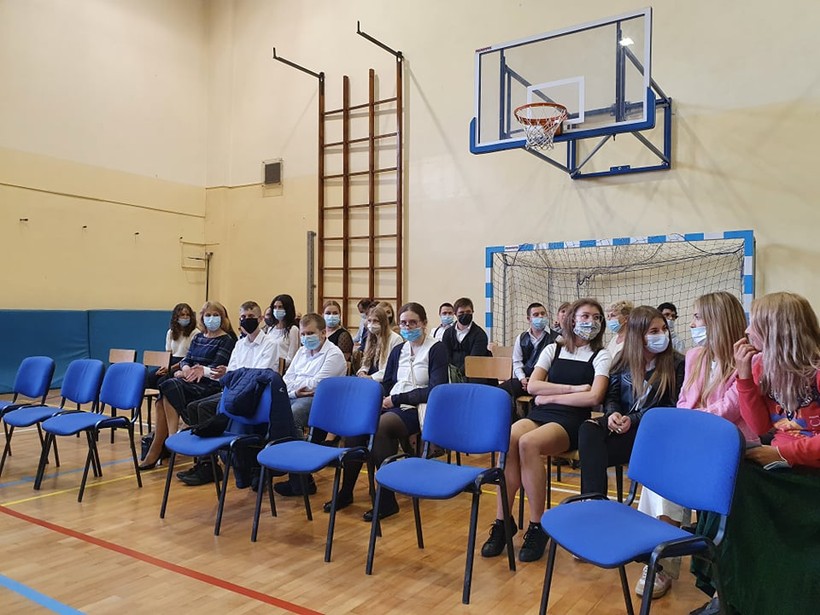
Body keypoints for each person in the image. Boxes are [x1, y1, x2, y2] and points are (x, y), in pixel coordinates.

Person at [635, 291, 757, 599]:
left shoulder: (747, 359)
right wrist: (691, 423)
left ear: (717, 321)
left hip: (730, 445)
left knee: (676, 471)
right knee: (659, 476)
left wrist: (693, 420)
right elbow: (683, 401)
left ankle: (676, 563)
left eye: (697, 317)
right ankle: (660, 563)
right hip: (694, 441)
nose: (691, 324)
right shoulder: (694, 356)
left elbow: (731, 409)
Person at [482, 298, 611, 563]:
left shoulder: (601, 355)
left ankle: (538, 525)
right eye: (586, 316)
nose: (592, 322)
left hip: (572, 420)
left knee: (529, 443)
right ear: (572, 320)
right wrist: (573, 389)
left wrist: (550, 396)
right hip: (543, 412)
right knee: (508, 438)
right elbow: (533, 386)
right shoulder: (554, 348)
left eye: (597, 318)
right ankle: (503, 521)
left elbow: (594, 396)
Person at [322, 302, 449, 520]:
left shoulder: (436, 349)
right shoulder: (399, 350)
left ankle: (386, 499)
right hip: (394, 402)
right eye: (403, 323)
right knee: (357, 425)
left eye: (413, 323)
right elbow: (388, 382)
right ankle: (346, 491)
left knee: (381, 428)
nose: (407, 327)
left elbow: (435, 390)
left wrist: (395, 400)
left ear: (424, 323)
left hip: (419, 408)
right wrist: (378, 400)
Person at [577, 306, 685, 498]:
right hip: (622, 424)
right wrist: (613, 414)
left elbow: (672, 407)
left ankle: (593, 501)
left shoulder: (677, 363)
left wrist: (633, 419)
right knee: (588, 429)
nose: (662, 335)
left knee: (593, 457)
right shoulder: (622, 359)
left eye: (664, 329)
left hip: (651, 430)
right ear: (637, 336)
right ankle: (593, 502)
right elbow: (612, 396)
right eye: (654, 331)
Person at [176, 301, 277, 486]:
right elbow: (232, 371)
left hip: (256, 395)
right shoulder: (240, 344)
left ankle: (220, 466)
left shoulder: (270, 344)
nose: (246, 320)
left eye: (251, 317)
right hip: (235, 390)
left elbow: (259, 374)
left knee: (207, 408)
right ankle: (206, 462)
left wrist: (232, 373)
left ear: (260, 319)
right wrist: (227, 373)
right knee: (194, 406)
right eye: (243, 317)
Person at [139, 301, 236, 470]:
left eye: (215, 315)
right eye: (208, 315)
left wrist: (192, 372)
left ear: (223, 318)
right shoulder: (199, 337)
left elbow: (216, 367)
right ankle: (167, 441)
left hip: (209, 385)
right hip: (190, 379)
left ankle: (164, 443)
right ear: (202, 318)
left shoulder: (226, 340)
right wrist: (184, 370)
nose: (211, 318)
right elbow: (187, 359)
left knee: (167, 387)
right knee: (164, 393)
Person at [735, 291, 820, 469]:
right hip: (779, 455)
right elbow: (759, 427)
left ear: (776, 331)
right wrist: (744, 378)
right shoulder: (762, 367)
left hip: (809, 463)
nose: (747, 331)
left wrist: (783, 454)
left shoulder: (816, 371)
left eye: (754, 324)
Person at [274, 313, 348, 496]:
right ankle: (282, 471)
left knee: (292, 417)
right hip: (297, 396)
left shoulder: (334, 354)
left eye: (310, 333)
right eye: (303, 334)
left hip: (325, 402)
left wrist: (296, 386)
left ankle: (300, 477)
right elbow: (286, 380)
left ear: (323, 333)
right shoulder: (301, 352)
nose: (306, 338)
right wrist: (295, 391)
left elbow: (318, 384)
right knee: (272, 412)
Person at [499, 302, 559, 405]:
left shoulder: (556, 338)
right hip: (525, 381)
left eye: (543, 313)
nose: (540, 316)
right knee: (501, 392)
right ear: (528, 319)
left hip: (546, 383)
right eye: (536, 315)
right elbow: (517, 362)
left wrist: (537, 382)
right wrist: (522, 378)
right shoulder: (521, 338)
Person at [442, 297, 491, 382]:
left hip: (473, 375)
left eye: (468, 312)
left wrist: (458, 375)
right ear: (455, 314)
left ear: (472, 312)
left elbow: (473, 360)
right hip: (452, 375)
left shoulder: (480, 335)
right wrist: (453, 374)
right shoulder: (447, 333)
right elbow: (446, 356)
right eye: (461, 312)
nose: (465, 315)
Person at [356, 307, 403, 382]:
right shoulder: (371, 338)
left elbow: (392, 368)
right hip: (368, 379)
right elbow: (366, 363)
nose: (371, 324)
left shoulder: (395, 339)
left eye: (375, 321)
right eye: (369, 321)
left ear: (383, 322)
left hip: (384, 381)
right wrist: (362, 371)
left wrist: (371, 377)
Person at [267, 294, 300, 371]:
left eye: (280, 307)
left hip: (283, 370)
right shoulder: (271, 329)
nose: (277, 310)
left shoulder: (293, 330)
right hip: (269, 368)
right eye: (275, 307)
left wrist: (278, 365)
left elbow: (292, 357)